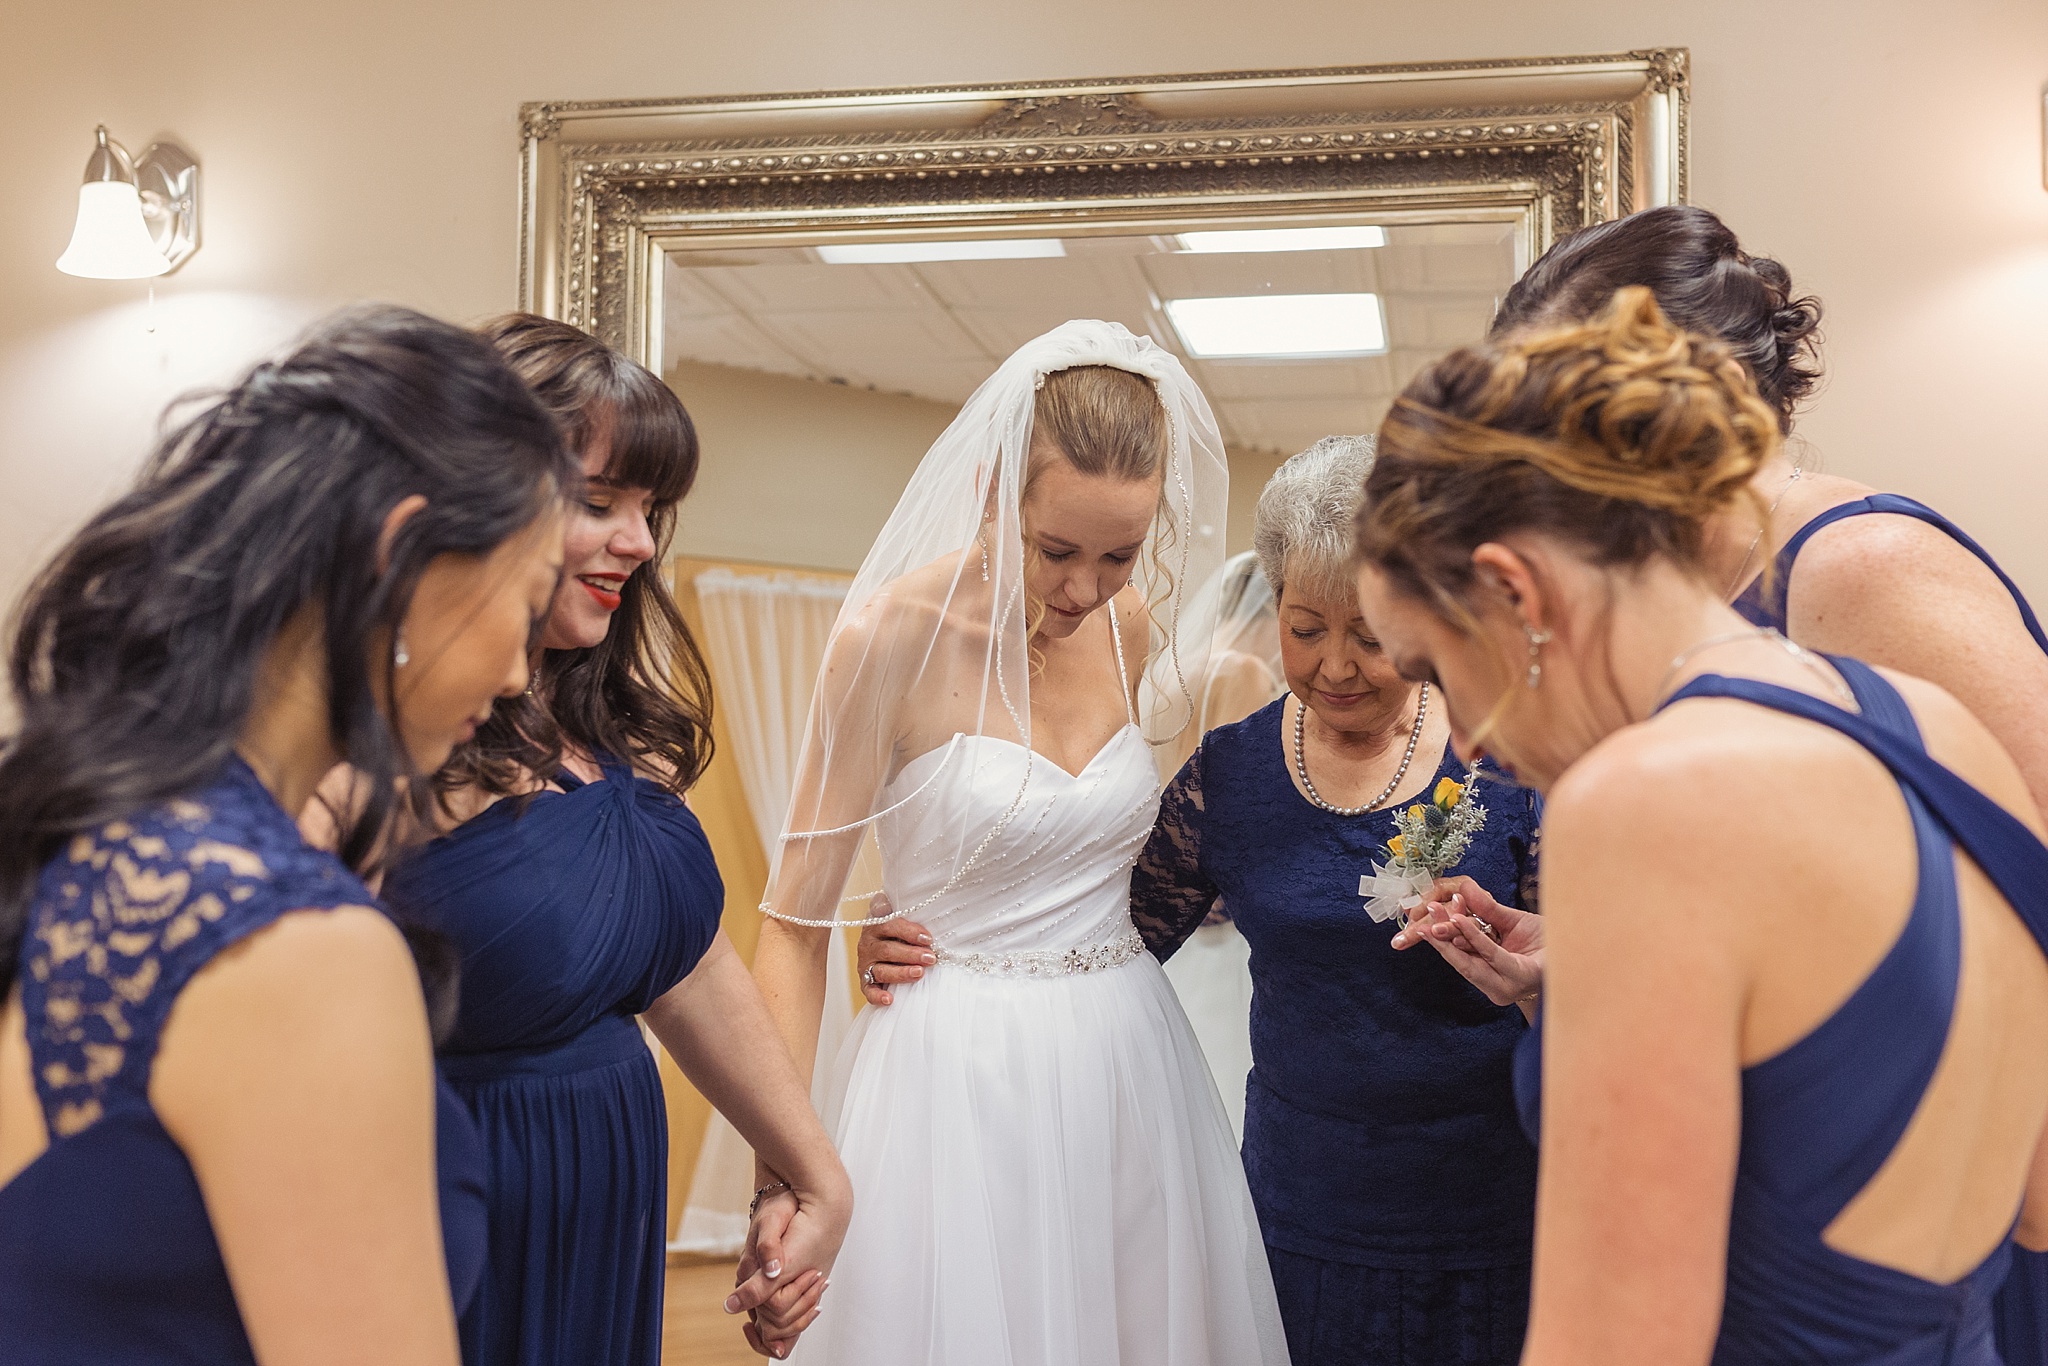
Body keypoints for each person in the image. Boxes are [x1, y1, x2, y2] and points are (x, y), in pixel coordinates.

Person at [1354, 287, 2048, 1364]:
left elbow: (1613, 1345)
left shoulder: (1643, 800)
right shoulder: (1937, 727)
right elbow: (2032, 1194)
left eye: (1438, 668)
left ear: (1511, 589)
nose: (1466, 747)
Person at [863, 436, 1545, 1366]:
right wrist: (921, 925)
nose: (1337, 666)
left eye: (1372, 634)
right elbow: (1101, 925)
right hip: (1299, 1216)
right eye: (1306, 629)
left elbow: (1617, 977)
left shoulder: (1515, 758)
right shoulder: (1234, 776)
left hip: (1502, 1204)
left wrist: (1540, 984)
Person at [0, 306, 576, 1364]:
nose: (514, 676)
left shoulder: (73, 833)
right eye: (529, 603)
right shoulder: (294, 948)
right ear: (401, 553)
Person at [749, 319, 1288, 1366]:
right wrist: (781, 1168)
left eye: (1117, 555)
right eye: (1056, 551)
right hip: (954, 1072)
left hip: (1126, 1059)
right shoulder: (887, 640)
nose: (1084, 589)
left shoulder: (1128, 626)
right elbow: (790, 921)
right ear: (998, 489)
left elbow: (1098, 846)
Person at [380, 315, 848, 1366]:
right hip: (455, 1203)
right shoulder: (387, 737)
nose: (638, 544)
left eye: (650, 511)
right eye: (599, 505)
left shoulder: (602, 723)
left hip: (601, 1203)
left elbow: (688, 965)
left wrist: (812, 1172)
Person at [1142, 548, 1286, 1139]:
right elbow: (1244, 808)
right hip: (1221, 918)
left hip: (1169, 910)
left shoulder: (1171, 673)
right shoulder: (1244, 671)